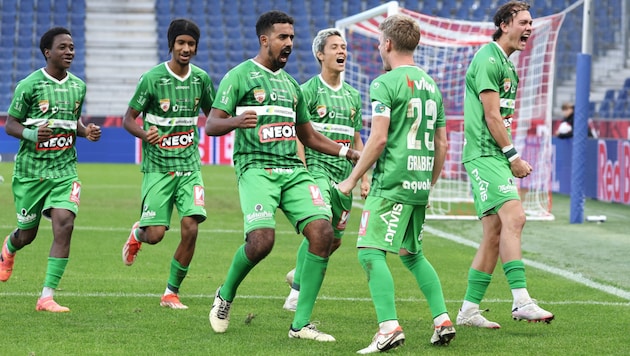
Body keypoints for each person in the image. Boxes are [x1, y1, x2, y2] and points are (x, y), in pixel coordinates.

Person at [205, 11, 359, 342]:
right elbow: (211, 124)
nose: (289, 43)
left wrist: (348, 152)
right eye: (282, 38)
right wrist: (235, 121)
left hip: (293, 170)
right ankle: (224, 295)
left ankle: (300, 324)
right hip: (256, 167)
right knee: (262, 242)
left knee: (323, 233)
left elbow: (310, 136)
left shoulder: (292, 86)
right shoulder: (240, 76)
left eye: (291, 37)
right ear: (265, 40)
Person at [337, 14, 455, 353]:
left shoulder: (383, 84)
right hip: (418, 183)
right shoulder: (431, 85)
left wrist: (351, 179)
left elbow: (378, 139)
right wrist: (428, 185)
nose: (377, 47)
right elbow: (443, 144)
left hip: (391, 183)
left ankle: (388, 327)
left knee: (370, 252)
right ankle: (442, 320)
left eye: (378, 42)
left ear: (388, 44)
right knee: (411, 253)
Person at [457, 1, 554, 329]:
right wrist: (513, 157)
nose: (529, 28)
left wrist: (507, 155)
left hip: (493, 157)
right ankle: (521, 300)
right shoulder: (488, 58)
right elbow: (491, 115)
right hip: (485, 157)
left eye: (531, 23)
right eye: (524, 22)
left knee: (494, 234)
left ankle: (468, 310)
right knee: (516, 216)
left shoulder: (508, 66)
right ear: (504, 24)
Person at [0, 27, 101, 312]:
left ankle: (47, 296)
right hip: (31, 173)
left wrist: (86, 131)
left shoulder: (78, 86)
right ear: (48, 52)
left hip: (64, 170)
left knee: (65, 222)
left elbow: (72, 123)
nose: (69, 51)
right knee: (27, 234)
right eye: (63, 47)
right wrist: (32, 135)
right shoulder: (29, 85)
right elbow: (10, 125)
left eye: (72, 47)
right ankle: (9, 248)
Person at [121, 18, 215, 310]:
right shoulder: (152, 79)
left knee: (191, 227)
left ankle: (170, 293)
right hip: (158, 168)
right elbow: (128, 119)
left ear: (196, 47)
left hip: (189, 167)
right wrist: (143, 134)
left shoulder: (201, 79)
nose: (186, 49)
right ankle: (139, 233)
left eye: (190, 44)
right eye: (181, 43)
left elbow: (214, 115)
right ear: (171, 45)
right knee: (155, 235)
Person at [282, 28, 370, 312]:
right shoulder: (308, 90)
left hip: (345, 177)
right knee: (317, 230)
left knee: (333, 241)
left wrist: (364, 176)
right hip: (318, 171)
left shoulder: (353, 96)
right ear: (320, 54)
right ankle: (297, 293)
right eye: (334, 47)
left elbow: (357, 138)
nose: (341, 51)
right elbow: (299, 134)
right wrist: (303, 169)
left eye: (343, 47)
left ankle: (299, 272)